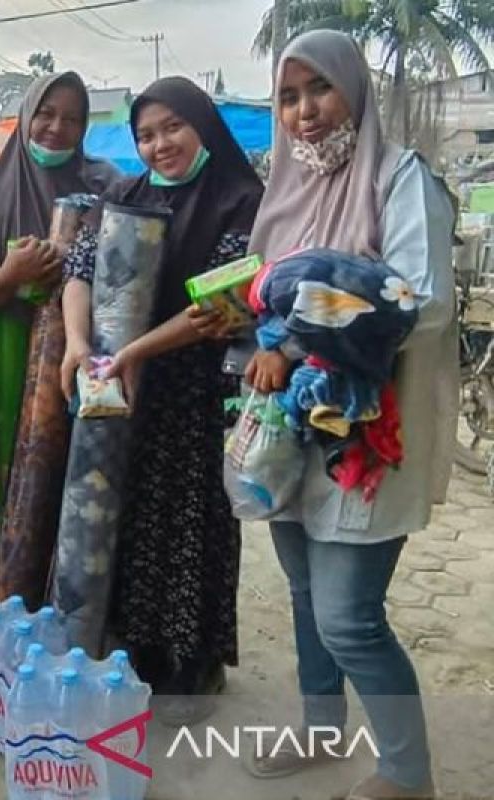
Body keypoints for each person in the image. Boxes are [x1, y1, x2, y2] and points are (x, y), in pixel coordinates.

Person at [242, 31, 455, 800]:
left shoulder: (401, 180)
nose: (304, 112)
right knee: (303, 592)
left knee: (350, 619)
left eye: (319, 90)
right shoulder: (286, 187)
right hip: (289, 432)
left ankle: (408, 773)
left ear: (355, 92)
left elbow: (421, 303)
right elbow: (263, 290)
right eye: (289, 96)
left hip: (369, 436)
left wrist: (300, 337)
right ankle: (321, 723)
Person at [58, 77, 264, 724]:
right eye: (146, 134)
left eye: (173, 127)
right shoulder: (127, 192)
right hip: (121, 384)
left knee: (193, 518)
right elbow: (81, 270)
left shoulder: (241, 199)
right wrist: (73, 343)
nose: (158, 145)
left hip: (197, 387)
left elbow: (218, 309)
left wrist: (132, 354)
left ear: (202, 123)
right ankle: (134, 640)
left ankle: (193, 657)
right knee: (129, 510)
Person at [0, 70, 118, 581]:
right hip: (13, 352)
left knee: (86, 484)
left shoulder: (105, 184)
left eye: (71, 118)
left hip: (96, 354)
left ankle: (78, 594)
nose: (55, 128)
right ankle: (17, 587)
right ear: (25, 117)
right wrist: (12, 273)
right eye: (45, 114)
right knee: (21, 485)